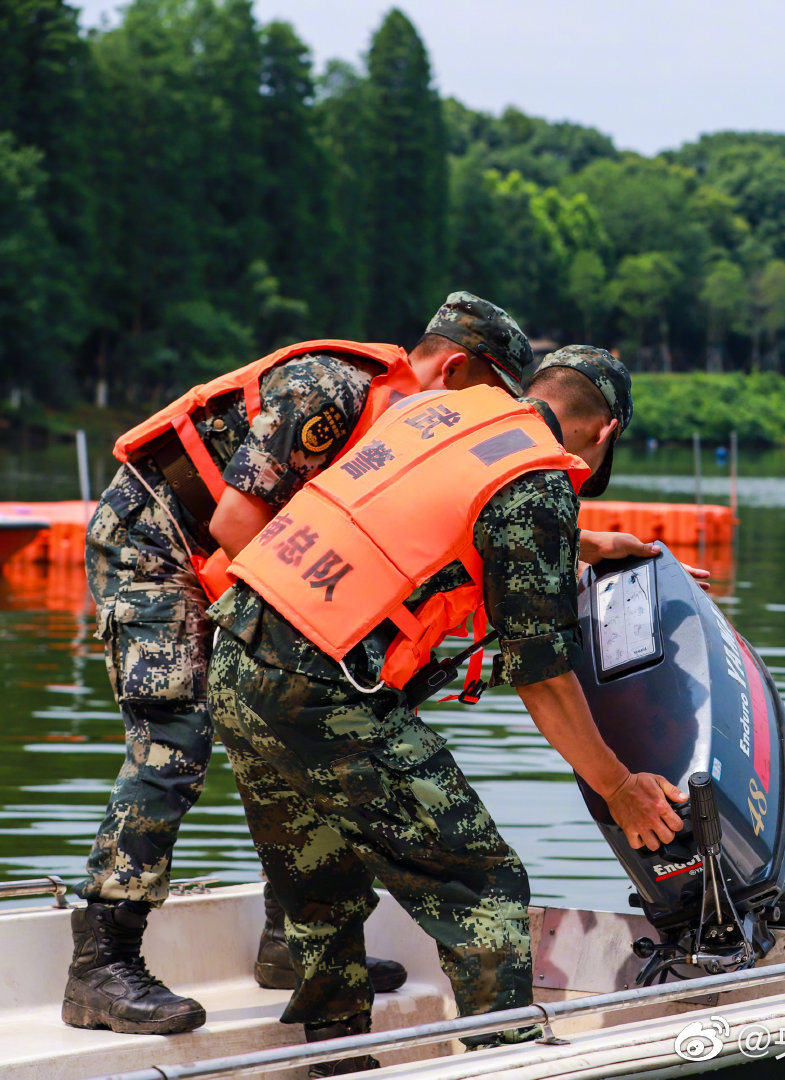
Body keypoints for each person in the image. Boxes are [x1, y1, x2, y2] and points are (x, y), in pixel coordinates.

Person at [66, 293, 538, 1036]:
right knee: (176, 739)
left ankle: (291, 942)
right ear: (457, 367)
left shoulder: (403, 429)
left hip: (239, 571)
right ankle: (101, 964)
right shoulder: (331, 392)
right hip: (158, 545)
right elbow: (235, 522)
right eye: (492, 401)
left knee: (301, 720)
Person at [205, 346, 684, 1072]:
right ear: (606, 430)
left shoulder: (440, 411)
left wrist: (579, 547)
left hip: (239, 654)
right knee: (483, 884)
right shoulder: (538, 481)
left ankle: (337, 1060)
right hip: (321, 687)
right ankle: (504, 1064)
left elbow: (424, 514)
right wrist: (619, 787)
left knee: (322, 877)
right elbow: (543, 675)